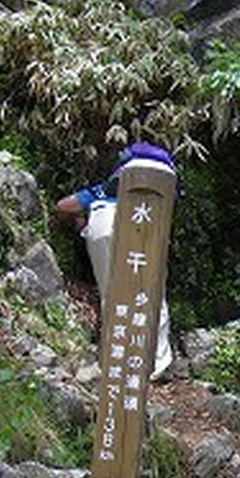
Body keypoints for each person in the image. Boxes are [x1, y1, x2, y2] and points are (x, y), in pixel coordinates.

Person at [55, 142, 175, 381]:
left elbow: (63, 205)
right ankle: (156, 365)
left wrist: (81, 218)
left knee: (113, 294)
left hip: (103, 223)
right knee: (151, 294)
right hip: (149, 227)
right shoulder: (163, 188)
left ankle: (117, 363)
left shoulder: (106, 190)